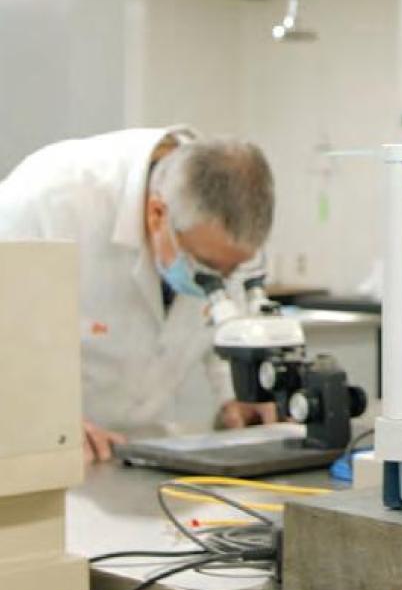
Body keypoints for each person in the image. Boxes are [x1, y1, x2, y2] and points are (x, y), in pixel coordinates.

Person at [0, 128, 279, 462]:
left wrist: (238, 392)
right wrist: (43, 420)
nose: (219, 284)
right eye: (207, 268)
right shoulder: (50, 198)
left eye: (232, 270)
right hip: (42, 455)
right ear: (157, 214)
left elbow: (223, 319)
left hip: (143, 454)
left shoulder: (224, 208)